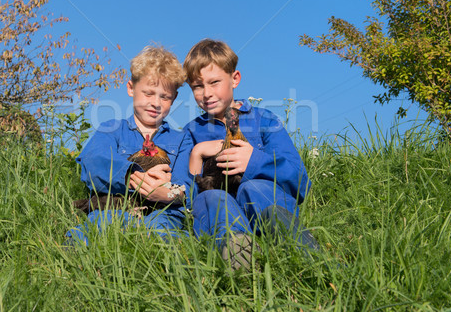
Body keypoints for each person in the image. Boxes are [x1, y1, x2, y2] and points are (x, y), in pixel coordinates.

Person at [183, 38, 317, 269]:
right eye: (197, 86)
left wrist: (254, 161)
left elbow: (300, 181)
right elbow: (186, 194)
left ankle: (306, 254)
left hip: (265, 205)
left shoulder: (265, 121)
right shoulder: (192, 132)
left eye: (214, 82)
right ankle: (238, 253)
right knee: (212, 198)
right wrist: (197, 153)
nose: (206, 93)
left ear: (235, 79)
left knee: (252, 188)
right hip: (221, 214)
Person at [65, 46, 192, 246]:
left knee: (164, 235)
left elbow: (187, 185)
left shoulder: (181, 139)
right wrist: (133, 176)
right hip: (115, 207)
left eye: (164, 97)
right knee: (96, 227)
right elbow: (93, 163)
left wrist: (167, 193)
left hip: (162, 211)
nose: (156, 103)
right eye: (148, 93)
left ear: (174, 98)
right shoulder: (112, 129)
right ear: (131, 88)